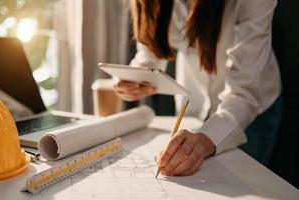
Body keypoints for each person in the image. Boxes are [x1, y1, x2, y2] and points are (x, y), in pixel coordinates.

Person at [114, 0, 282, 176]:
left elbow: (243, 94)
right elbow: (151, 51)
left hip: (251, 114)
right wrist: (137, 77)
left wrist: (206, 140)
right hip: (192, 109)